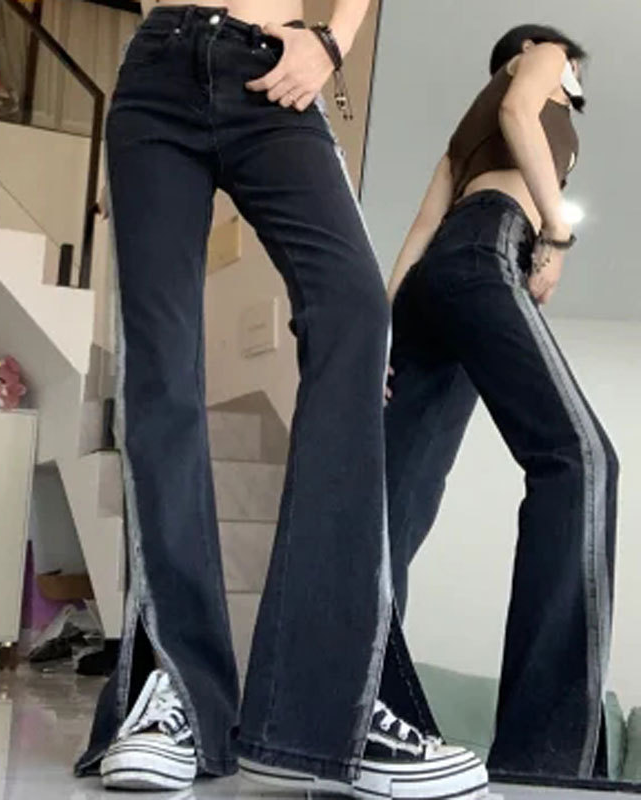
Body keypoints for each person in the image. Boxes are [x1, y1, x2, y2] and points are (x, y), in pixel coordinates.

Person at [75, 1, 487, 798]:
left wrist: (334, 40)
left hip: (274, 69)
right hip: (153, 72)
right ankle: (178, 692)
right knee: (159, 362)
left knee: (355, 309)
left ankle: (327, 708)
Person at [384, 24, 618, 779]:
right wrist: (556, 232)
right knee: (582, 460)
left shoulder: (462, 135)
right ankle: (544, 755)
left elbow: (422, 229)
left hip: (434, 284)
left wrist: (381, 340)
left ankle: (359, 712)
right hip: (489, 250)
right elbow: (521, 111)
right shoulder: (543, 59)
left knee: (391, 510)